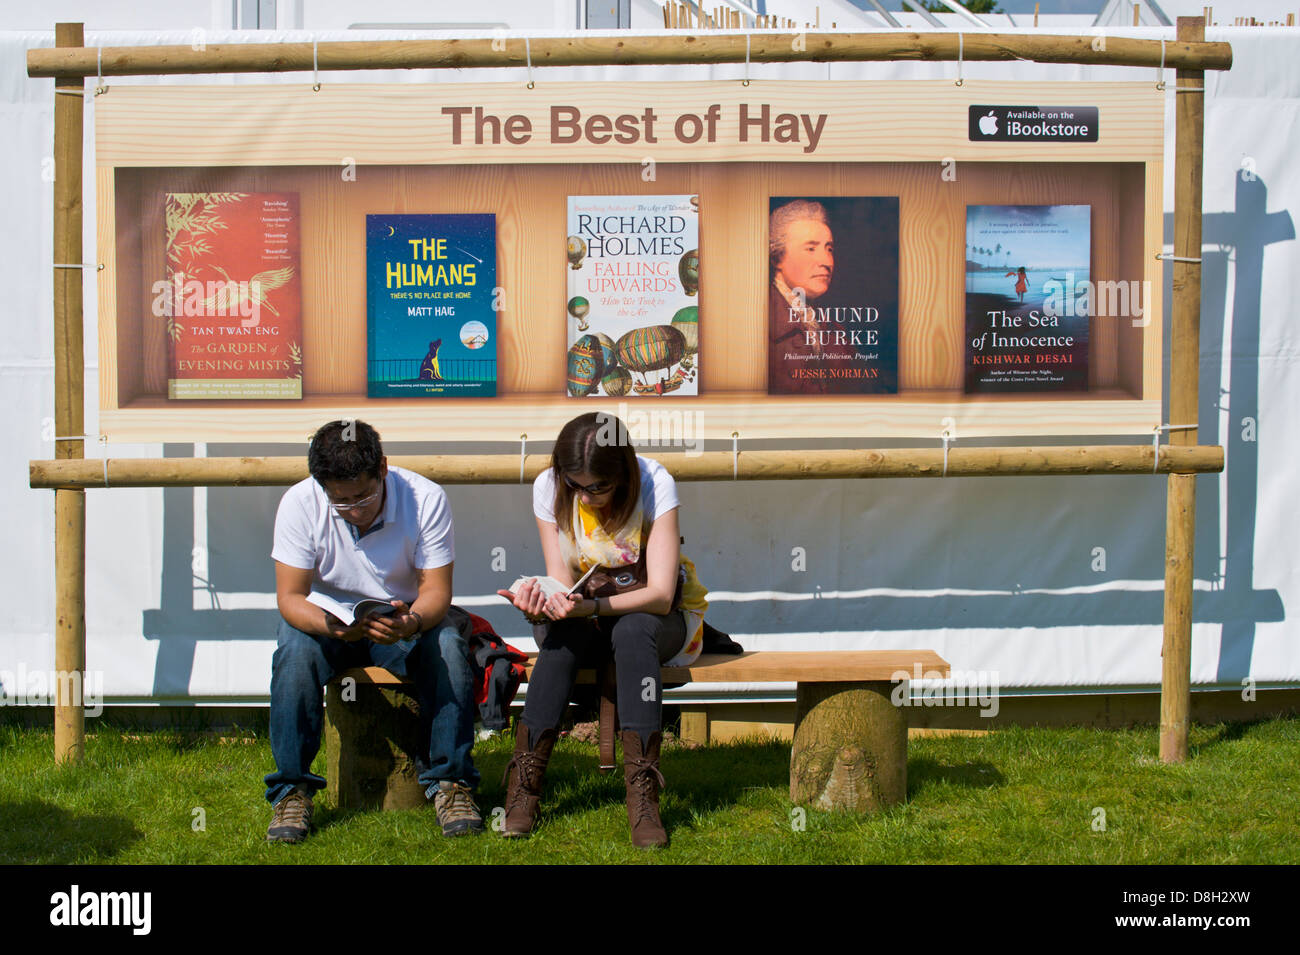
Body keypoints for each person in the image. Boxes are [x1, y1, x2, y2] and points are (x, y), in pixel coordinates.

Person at [496, 412, 708, 848]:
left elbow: (662, 595)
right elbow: (560, 577)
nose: (585, 496)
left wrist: (589, 606)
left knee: (633, 630)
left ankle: (643, 796)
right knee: (560, 637)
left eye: (598, 487)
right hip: (586, 620)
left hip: (653, 619)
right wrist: (543, 603)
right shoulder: (549, 486)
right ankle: (524, 786)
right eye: (575, 485)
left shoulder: (654, 483)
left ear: (623, 472)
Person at [265, 419, 481, 842]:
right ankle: (291, 791)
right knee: (294, 650)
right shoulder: (300, 502)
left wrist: (412, 621)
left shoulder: (425, 498)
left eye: (362, 496)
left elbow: (436, 591)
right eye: (339, 501)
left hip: (403, 620)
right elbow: (290, 598)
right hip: (332, 625)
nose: (354, 510)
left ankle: (452, 783)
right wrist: (332, 626)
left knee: (450, 644)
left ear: (383, 468)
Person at [768, 199, 835, 394]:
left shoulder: (833, 328)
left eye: (829, 249)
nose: (826, 261)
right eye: (811, 248)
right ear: (777, 257)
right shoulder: (759, 324)